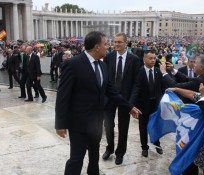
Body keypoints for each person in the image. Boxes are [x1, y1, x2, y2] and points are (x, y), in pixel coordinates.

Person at [55, 31, 142, 175]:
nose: (109, 47)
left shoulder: (102, 66)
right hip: (78, 123)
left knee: (94, 157)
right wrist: (60, 123)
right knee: (76, 159)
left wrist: (130, 106)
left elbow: (111, 91)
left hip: (96, 123)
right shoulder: (73, 64)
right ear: (96, 47)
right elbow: (63, 96)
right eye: (106, 44)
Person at [160, 55, 204, 175]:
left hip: (193, 123)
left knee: (188, 149)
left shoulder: (199, 81)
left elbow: (174, 85)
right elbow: (187, 78)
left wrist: (164, 72)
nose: (193, 65)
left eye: (196, 63)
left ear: (201, 67)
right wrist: (174, 70)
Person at [102, 32, 141, 165]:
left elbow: (136, 83)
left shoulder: (134, 59)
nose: (116, 44)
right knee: (108, 125)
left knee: (123, 127)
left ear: (126, 43)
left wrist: (131, 103)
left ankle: (120, 153)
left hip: (126, 100)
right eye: (115, 42)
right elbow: (105, 79)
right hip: (110, 98)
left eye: (119, 42)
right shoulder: (108, 57)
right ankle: (110, 148)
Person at [134, 50, 165, 157]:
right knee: (143, 127)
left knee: (156, 126)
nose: (153, 60)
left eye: (154, 58)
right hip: (143, 105)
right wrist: (131, 105)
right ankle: (144, 147)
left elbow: (162, 88)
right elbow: (136, 89)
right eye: (150, 58)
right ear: (144, 59)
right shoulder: (139, 72)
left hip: (156, 105)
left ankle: (157, 144)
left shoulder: (158, 71)